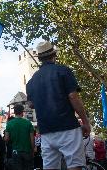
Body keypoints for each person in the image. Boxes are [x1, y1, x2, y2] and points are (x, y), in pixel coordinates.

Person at [26, 41, 91, 170]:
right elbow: (73, 96)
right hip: (67, 127)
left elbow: (31, 104)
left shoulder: (31, 81)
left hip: (46, 131)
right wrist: (85, 121)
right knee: (74, 165)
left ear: (39, 58)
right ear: (54, 55)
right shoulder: (63, 71)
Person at [4, 104, 35, 170]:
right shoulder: (28, 123)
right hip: (27, 152)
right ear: (22, 112)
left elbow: (6, 139)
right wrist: (33, 150)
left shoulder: (9, 124)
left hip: (16, 152)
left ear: (14, 112)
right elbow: (32, 139)